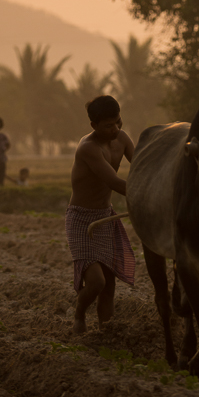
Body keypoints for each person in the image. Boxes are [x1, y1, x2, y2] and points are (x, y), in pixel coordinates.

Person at [65, 94, 135, 334]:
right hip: (81, 220)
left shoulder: (123, 139)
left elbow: (141, 168)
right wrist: (145, 197)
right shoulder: (88, 148)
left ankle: (107, 329)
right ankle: (79, 313)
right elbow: (115, 182)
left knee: (109, 283)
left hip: (105, 217)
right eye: (108, 126)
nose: (115, 129)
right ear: (94, 126)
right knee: (96, 282)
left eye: (118, 122)